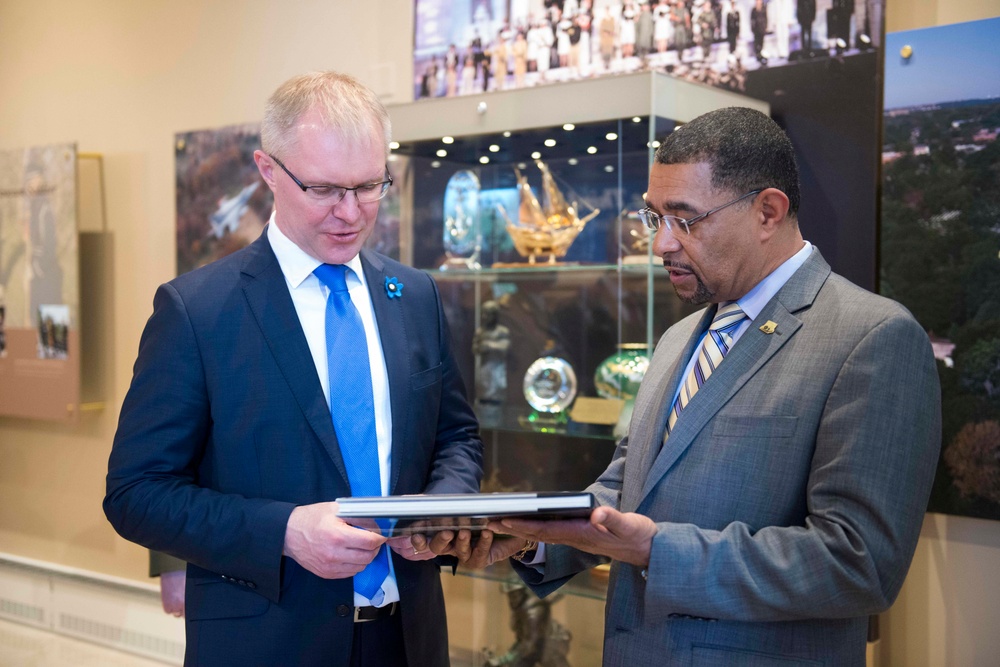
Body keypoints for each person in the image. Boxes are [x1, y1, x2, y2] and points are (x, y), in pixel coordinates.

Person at [437, 107, 942, 666]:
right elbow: (627, 489)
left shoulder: (872, 337)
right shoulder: (679, 337)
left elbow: (860, 564)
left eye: (686, 220)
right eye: (655, 219)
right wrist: (536, 536)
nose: (662, 246)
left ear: (768, 211)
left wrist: (657, 549)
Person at [104, 70, 483, 667]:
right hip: (267, 638)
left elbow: (456, 437)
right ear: (268, 170)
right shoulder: (197, 310)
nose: (351, 213)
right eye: (325, 189)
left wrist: (440, 508)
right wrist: (283, 531)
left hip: (408, 635)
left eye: (369, 186)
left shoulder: (413, 295)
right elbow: (136, 492)